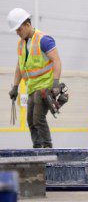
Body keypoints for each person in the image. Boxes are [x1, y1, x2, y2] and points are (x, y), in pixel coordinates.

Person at [7, 8, 62, 148]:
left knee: (38, 119)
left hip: (45, 87)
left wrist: (55, 83)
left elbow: (57, 61)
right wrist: (15, 86)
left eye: (19, 29)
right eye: (16, 31)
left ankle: (47, 148)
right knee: (30, 121)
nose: (18, 33)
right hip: (32, 88)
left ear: (27, 24)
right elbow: (20, 66)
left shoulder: (44, 40)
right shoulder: (21, 44)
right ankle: (37, 149)